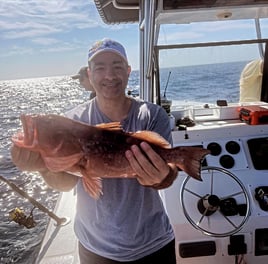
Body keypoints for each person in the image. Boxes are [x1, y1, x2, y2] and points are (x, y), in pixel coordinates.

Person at [11, 38, 178, 264]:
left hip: (154, 244)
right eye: (100, 68)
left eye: (117, 66)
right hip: (96, 249)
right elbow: (66, 183)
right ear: (89, 75)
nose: (109, 75)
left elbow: (167, 175)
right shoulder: (74, 120)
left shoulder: (152, 114)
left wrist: (162, 177)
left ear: (128, 72)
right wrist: (43, 166)